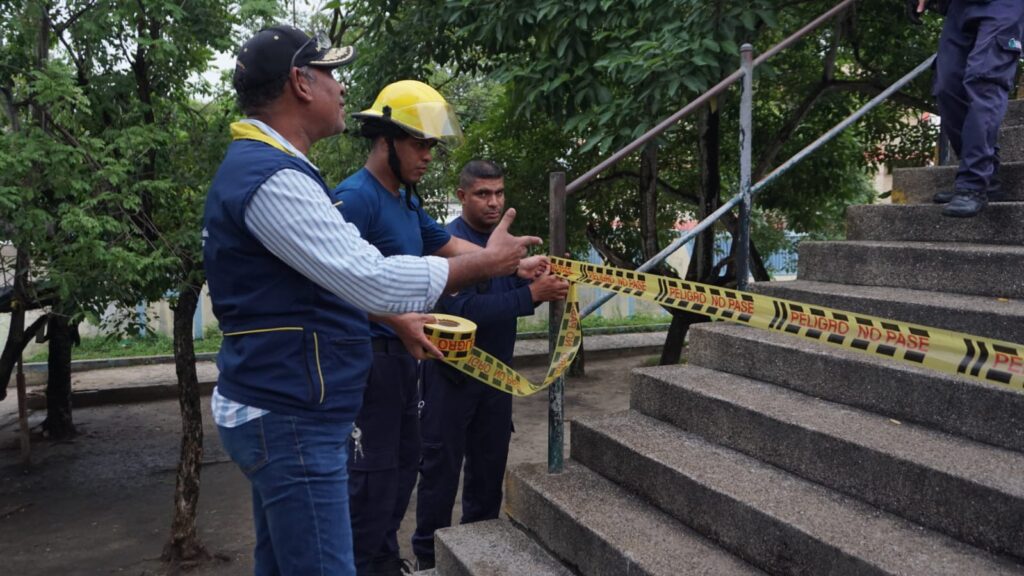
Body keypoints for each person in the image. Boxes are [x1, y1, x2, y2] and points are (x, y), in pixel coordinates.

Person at [202, 26, 542, 576]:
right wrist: (486, 265)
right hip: (292, 411)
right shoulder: (277, 179)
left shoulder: (294, 173)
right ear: (301, 82)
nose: (341, 87)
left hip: (300, 399)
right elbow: (369, 279)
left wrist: (505, 262)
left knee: (370, 499)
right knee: (360, 510)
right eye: (330, 73)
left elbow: (367, 269)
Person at [334, 81, 547, 576]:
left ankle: (387, 565)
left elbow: (452, 248)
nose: (428, 155)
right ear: (385, 140)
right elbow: (332, 283)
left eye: (431, 144)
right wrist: (393, 319)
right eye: (418, 143)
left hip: (406, 361)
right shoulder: (355, 199)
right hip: (368, 362)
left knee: (401, 474)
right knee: (371, 481)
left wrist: (514, 264)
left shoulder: (406, 202)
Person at [411, 161, 570, 571]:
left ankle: (478, 554)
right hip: (449, 378)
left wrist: (542, 277)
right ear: (462, 196)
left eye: (499, 192)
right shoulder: (446, 243)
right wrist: (531, 295)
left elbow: (516, 289)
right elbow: (461, 311)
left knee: (488, 472)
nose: (493, 202)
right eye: (483, 194)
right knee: (440, 474)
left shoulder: (508, 247)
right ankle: (429, 559)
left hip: (497, 381)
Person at [910, 0, 1024, 217]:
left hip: (1003, 6)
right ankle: (987, 177)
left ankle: (973, 183)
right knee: (947, 87)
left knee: (984, 82)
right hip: (960, 6)